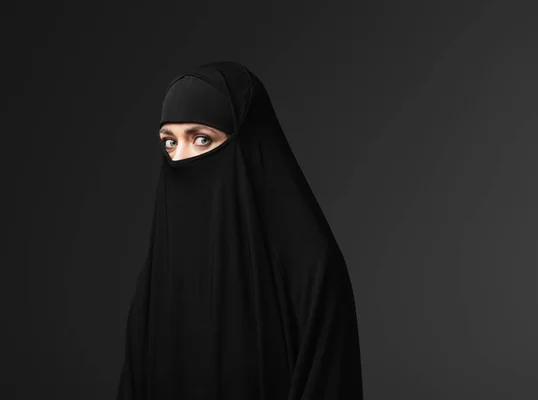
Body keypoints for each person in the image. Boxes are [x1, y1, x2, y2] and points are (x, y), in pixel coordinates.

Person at [116, 60, 364, 400]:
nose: (180, 158)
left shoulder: (311, 267)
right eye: (169, 142)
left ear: (246, 144)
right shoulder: (159, 273)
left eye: (202, 138)